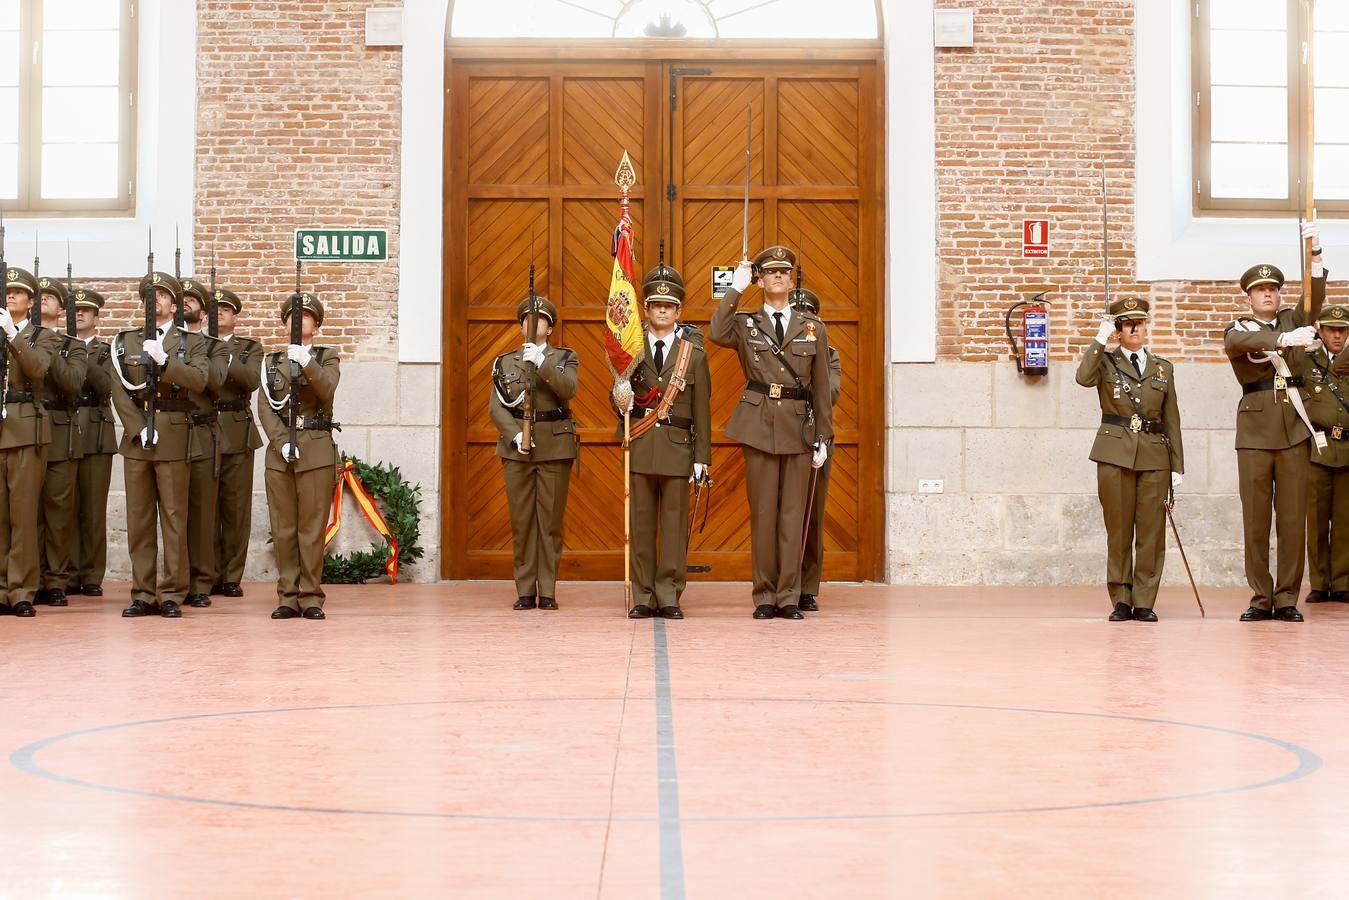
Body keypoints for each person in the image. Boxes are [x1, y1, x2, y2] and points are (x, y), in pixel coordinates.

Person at [709, 245, 834, 620]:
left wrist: (824, 437)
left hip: (798, 426)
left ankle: (789, 596)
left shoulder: (813, 328)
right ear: (760, 279)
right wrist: (735, 287)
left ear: (791, 279)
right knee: (764, 515)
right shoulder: (746, 324)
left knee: (793, 515)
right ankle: (764, 596)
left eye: (784, 271)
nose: (778, 276)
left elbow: (822, 386)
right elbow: (716, 331)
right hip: (759, 424)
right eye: (770, 272)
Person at [1224, 224, 1325, 622]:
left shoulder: (1293, 318)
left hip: (1294, 429)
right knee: (1256, 522)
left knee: (1291, 520)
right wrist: (1284, 341)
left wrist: (1315, 256)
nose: (1269, 293)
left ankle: (1286, 599)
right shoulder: (1241, 328)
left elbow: (1315, 301)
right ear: (1249, 296)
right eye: (1261, 289)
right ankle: (1259, 597)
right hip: (1254, 434)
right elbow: (1238, 345)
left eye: (1274, 288)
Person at [1076, 297, 1184, 622]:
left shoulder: (1163, 367)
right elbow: (1083, 377)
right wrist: (1099, 338)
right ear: (1119, 330)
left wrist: (1177, 465)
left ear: (1146, 326)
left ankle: (1145, 601)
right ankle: (1121, 599)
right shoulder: (1105, 362)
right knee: (1119, 531)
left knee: (1151, 533)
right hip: (1115, 454)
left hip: (1154, 455)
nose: (1135, 328)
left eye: (1139, 322)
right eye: (1126, 323)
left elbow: (1172, 419)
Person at [112, 270, 210, 618]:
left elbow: (199, 380)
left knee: (173, 517)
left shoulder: (192, 342)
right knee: (139, 519)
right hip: (139, 438)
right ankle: (142, 592)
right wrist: (138, 427)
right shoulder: (125, 342)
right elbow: (119, 391)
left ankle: (171, 592)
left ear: (173, 303)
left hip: (173, 433)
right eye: (148, 296)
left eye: (162, 295)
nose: (154, 301)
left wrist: (166, 362)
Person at [621, 260, 711, 619]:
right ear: (646, 309)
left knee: (673, 527)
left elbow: (703, 409)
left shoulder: (695, 355)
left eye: (669, 306)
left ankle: (669, 593)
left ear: (678, 310)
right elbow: (622, 403)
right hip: (641, 445)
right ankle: (643, 595)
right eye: (656, 305)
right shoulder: (629, 350)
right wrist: (619, 398)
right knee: (641, 525)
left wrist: (702, 457)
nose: (662, 311)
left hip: (678, 448)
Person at [489, 294, 578, 611]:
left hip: (554, 447)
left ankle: (549, 589)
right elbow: (496, 408)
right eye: (527, 318)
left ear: (550, 328)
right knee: (522, 521)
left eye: (540, 318)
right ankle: (525, 589)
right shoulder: (504, 362)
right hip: (517, 451)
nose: (533, 322)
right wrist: (514, 437)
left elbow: (568, 389)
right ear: (521, 325)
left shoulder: (565, 357)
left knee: (550, 524)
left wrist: (541, 363)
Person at [259, 292, 340, 620]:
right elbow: (265, 408)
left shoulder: (326, 357)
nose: (298, 320)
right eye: (292, 315)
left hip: (316, 449)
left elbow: (327, 390)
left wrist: (306, 362)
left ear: (316, 324)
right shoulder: (270, 363)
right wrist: (280, 442)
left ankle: (310, 596)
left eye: (305, 315)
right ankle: (287, 595)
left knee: (311, 528)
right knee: (284, 528)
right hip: (282, 453)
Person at [0, 267, 62, 617]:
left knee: (22, 516)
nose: (11, 295)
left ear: (31, 301)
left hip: (25, 430)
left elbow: (38, 370)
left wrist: (12, 334)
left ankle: (21, 590)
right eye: (7, 290)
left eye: (19, 292)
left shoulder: (43, 336)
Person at [34, 275, 88, 606]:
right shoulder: (17, 339)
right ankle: (28, 576)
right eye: (38, 296)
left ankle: (55, 579)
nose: (43, 301)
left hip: (57, 431)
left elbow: (70, 383)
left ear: (61, 307)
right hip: (24, 429)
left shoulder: (73, 345)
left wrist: (48, 346)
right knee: (26, 512)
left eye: (50, 297)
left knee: (57, 511)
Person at [178, 277, 230, 607]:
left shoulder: (216, 346)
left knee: (201, 511)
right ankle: (175, 580)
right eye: (180, 298)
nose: (185, 303)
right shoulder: (163, 342)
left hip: (202, 431)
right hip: (171, 430)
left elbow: (213, 381)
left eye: (192, 299)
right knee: (173, 512)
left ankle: (200, 582)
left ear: (203, 311)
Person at [789, 285, 841, 613]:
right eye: (799, 313)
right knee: (783, 518)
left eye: (809, 313)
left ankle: (807, 586)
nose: (804, 318)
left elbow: (830, 391)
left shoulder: (829, 353)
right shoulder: (775, 347)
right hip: (784, 437)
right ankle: (783, 584)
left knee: (810, 517)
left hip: (814, 441)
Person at [208, 287, 262, 598]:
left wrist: (223, 353)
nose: (219, 314)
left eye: (225, 309)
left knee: (235, 510)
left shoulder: (249, 348)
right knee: (206, 508)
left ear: (235, 316)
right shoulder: (196, 344)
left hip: (238, 431)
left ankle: (231, 576)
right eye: (214, 309)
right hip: (205, 429)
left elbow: (251, 380)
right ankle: (208, 573)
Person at [72, 288, 117, 597]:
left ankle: (90, 574)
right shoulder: (57, 347)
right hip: (65, 428)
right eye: (75, 310)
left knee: (92, 508)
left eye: (85, 311)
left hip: (96, 431)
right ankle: (64, 572)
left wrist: (79, 356)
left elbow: (106, 385)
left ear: (96, 318)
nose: (79, 314)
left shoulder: (106, 351)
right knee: (62, 509)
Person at [1306, 304, 1349, 603]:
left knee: (1345, 520)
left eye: (1343, 329)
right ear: (1320, 331)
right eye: (1332, 329)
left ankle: (1343, 581)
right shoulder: (1307, 361)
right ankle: (1319, 582)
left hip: (1347, 447)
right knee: (1317, 519)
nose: (1337, 335)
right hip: (1317, 448)